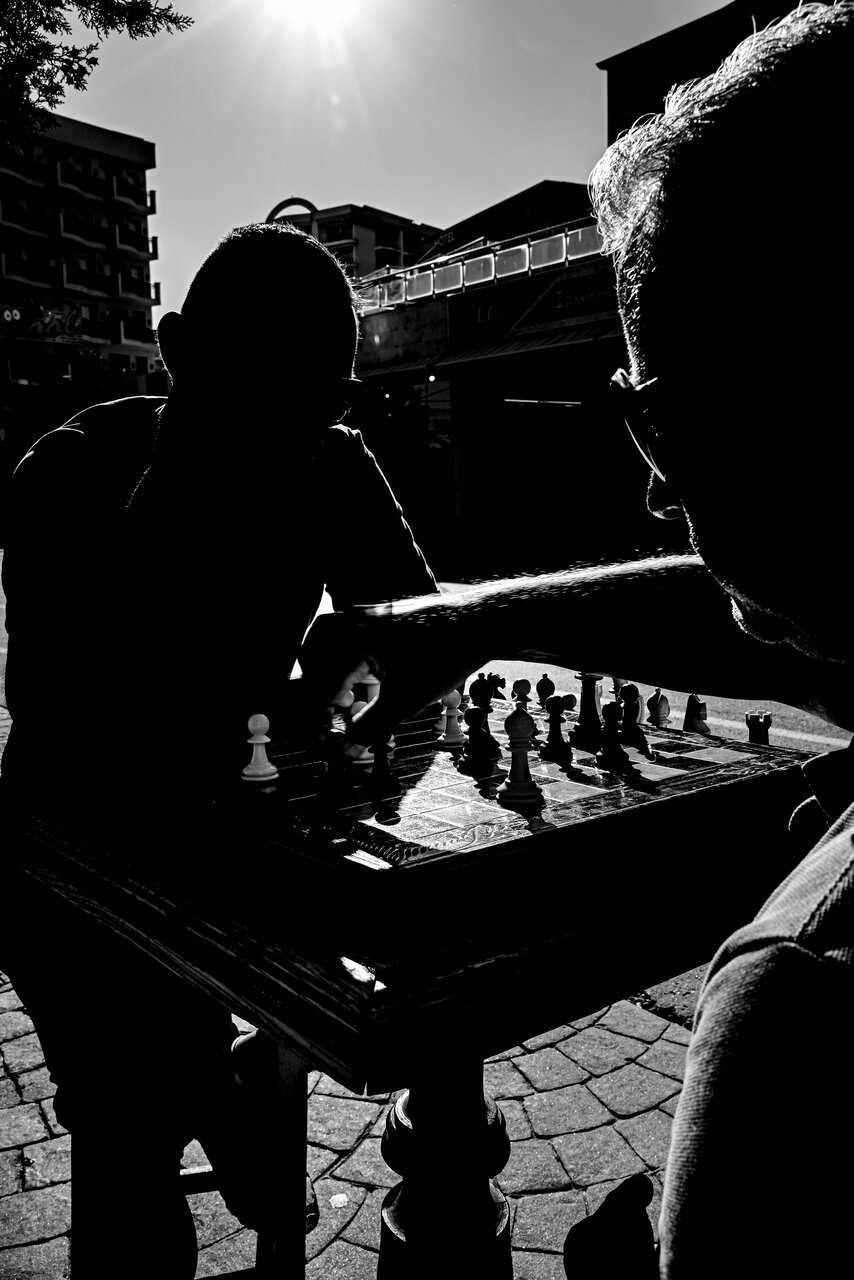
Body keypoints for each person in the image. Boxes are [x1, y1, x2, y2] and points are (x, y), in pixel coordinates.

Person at [299, 5, 854, 1276]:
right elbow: (789, 582)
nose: (655, 492)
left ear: (812, 411)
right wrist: (464, 623)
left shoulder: (799, 1004)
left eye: (660, 420)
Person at [0, 222, 436, 1276]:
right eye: (251, 397)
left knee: (336, 988)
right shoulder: (67, 471)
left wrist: (354, 671)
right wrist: (177, 483)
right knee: (128, 1128)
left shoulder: (327, 454)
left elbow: (422, 636)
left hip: (228, 825)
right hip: (69, 855)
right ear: (177, 354)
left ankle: (211, 1085)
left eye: (316, 401)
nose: (278, 440)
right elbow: (71, 715)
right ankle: (206, 1091)